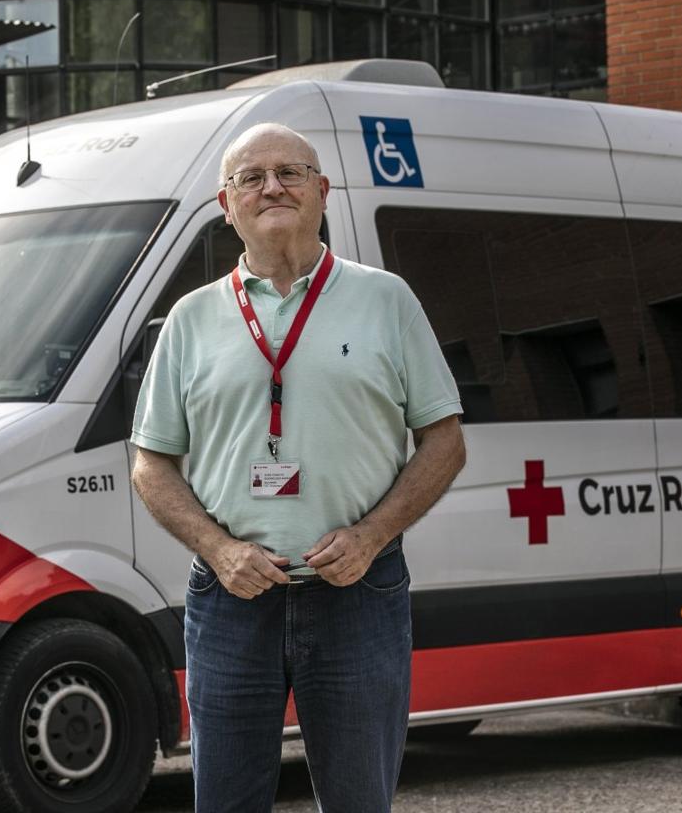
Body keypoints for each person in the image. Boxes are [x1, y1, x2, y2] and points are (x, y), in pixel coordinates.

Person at [130, 122, 466, 813]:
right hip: (231, 600)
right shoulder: (191, 320)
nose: (271, 186)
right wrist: (218, 550)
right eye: (251, 177)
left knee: (357, 802)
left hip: (358, 593)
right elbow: (151, 463)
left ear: (322, 190)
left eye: (290, 172)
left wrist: (370, 536)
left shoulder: (386, 300)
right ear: (226, 204)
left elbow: (445, 441)